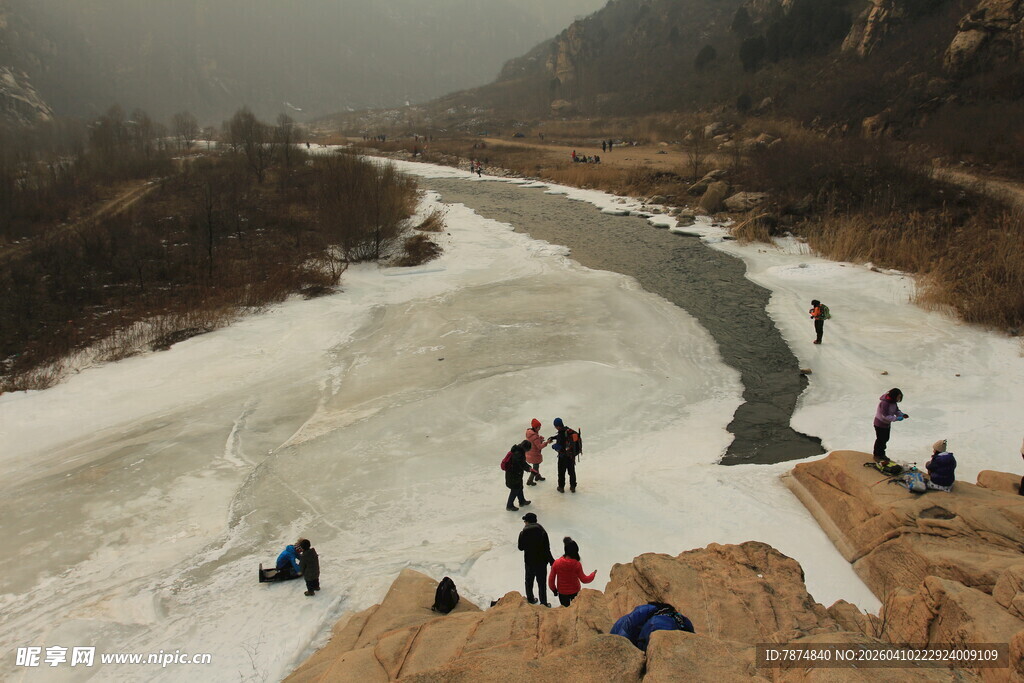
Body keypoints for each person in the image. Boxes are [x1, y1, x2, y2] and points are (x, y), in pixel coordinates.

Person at [518, 512, 554, 606]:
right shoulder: (542, 531)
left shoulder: (523, 532)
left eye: (525, 521)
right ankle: (543, 603)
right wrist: (551, 561)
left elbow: (520, 547)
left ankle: (530, 599)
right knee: (542, 583)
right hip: (541, 562)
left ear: (527, 521)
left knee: (529, 581)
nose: (524, 522)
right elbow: (547, 549)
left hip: (529, 562)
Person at [548, 537, 596, 607]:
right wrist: (593, 574)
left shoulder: (557, 563)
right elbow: (584, 579)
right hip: (575, 592)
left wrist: (554, 590)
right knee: (575, 609)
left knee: (565, 610)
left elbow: (551, 580)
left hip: (562, 592)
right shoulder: (576, 564)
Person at [873, 388, 908, 462]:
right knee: (880, 440)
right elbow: (884, 416)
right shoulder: (885, 403)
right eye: (898, 397)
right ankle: (877, 455)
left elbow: (896, 411)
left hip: (886, 424)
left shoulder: (893, 402)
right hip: (879, 424)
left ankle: (882, 454)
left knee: (885, 439)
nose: (899, 399)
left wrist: (902, 414)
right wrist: (896, 418)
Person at [505, 442, 535, 511]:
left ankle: (522, 501)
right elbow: (522, 464)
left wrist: (528, 468)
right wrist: (529, 469)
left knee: (519, 487)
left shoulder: (518, 450)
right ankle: (509, 505)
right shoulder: (518, 454)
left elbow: (522, 463)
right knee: (515, 489)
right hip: (513, 475)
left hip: (516, 474)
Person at [551, 417, 578, 493]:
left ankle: (561, 487)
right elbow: (563, 438)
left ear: (558, 426)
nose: (555, 428)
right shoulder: (567, 430)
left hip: (563, 457)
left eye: (555, 426)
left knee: (561, 472)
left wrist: (553, 446)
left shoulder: (561, 434)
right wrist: (553, 437)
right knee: (571, 471)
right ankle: (573, 486)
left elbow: (559, 446)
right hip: (571, 456)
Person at [525, 419, 548, 486]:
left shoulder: (530, 433)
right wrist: (546, 443)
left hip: (530, 453)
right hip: (534, 455)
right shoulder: (534, 436)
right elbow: (539, 447)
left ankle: (537, 476)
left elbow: (534, 442)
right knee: (535, 468)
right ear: (535, 427)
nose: (540, 428)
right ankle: (530, 481)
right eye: (539, 427)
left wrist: (539, 439)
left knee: (536, 466)